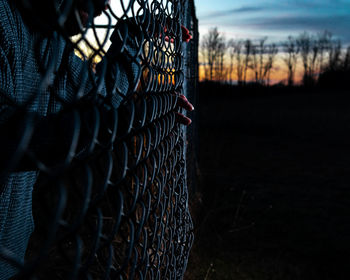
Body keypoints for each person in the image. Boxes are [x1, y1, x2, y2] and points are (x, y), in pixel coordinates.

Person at [0, 0, 193, 278]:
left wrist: (135, 33)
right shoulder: (5, 21)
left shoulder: (48, 43)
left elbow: (105, 95)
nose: (105, 3)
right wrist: (116, 123)